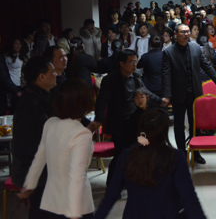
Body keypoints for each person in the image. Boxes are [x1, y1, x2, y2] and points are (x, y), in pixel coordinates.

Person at [95, 109, 207, 219]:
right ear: (164, 133)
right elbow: (189, 198)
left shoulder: (127, 156)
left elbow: (110, 196)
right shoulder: (175, 157)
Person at [17, 79, 95, 219]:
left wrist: (30, 184)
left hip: (51, 200)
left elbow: (39, 158)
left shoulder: (50, 123)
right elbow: (77, 174)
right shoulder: (82, 134)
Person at [89, 49, 163, 185]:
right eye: (131, 62)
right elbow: (101, 101)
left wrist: (160, 101)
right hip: (119, 123)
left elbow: (145, 92)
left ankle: (132, 182)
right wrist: (99, 119)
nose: (135, 65)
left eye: (136, 61)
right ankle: (112, 185)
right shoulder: (110, 79)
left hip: (135, 121)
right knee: (121, 155)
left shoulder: (136, 76)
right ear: (121, 64)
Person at [162, 24, 216, 164]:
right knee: (179, 126)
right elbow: (166, 75)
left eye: (188, 31)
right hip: (178, 94)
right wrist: (167, 95)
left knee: (195, 124)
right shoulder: (168, 52)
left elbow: (208, 67)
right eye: (183, 32)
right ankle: (182, 153)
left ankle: (196, 152)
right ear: (176, 34)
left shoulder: (196, 48)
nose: (186, 34)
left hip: (195, 93)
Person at [11, 56, 57, 219]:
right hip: (37, 169)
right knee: (41, 211)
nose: (56, 75)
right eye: (52, 72)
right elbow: (29, 143)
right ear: (41, 77)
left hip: (42, 168)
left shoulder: (40, 97)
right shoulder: (31, 103)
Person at [137, 35, 167, 104]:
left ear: (150, 44)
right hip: (163, 86)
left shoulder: (145, 56)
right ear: (161, 44)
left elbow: (138, 66)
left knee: (151, 108)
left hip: (149, 87)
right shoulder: (166, 55)